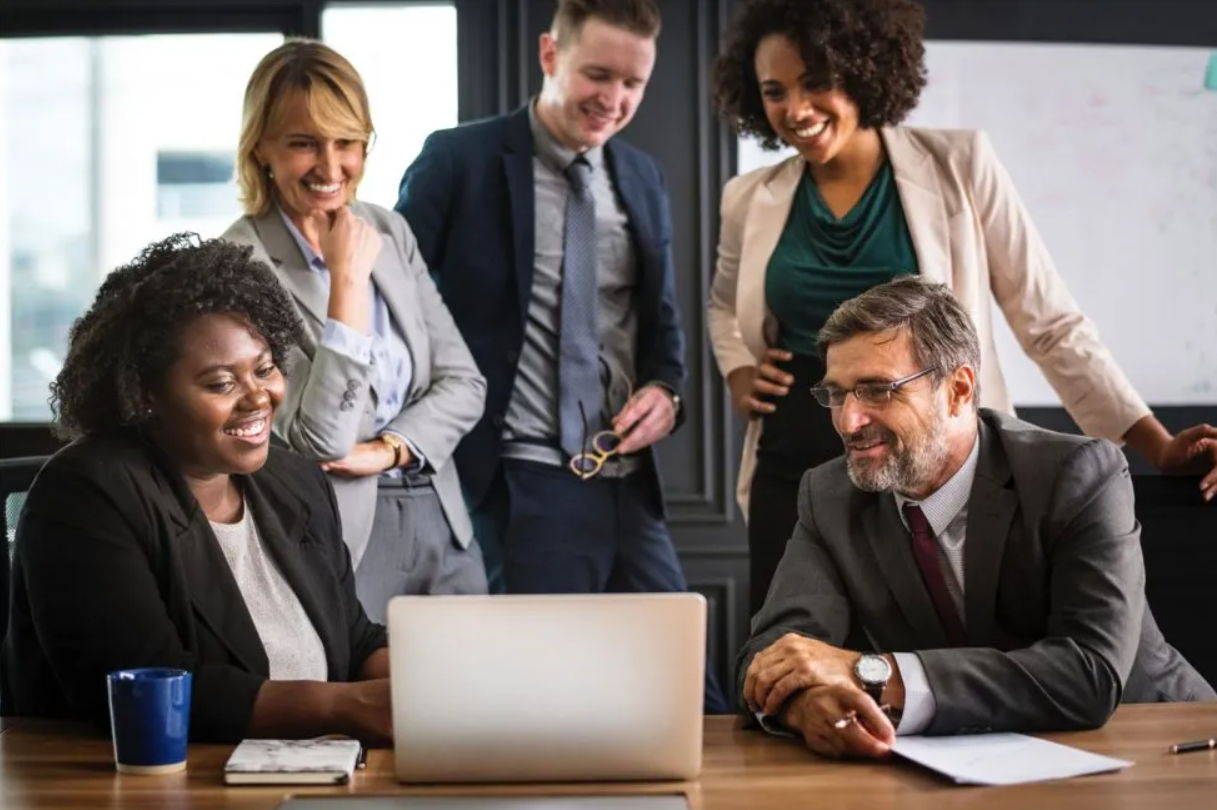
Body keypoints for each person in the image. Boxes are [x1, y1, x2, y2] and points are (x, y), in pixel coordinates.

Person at [707, 0, 1217, 617]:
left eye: (818, 82)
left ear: (865, 68)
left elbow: (1048, 321)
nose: (797, 109)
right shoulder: (747, 197)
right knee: (791, 651)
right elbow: (721, 307)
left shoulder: (959, 165)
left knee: (932, 654)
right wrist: (738, 368)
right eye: (775, 91)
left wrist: (1155, 444)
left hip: (927, 458)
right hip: (792, 457)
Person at [737, 275, 1215, 759]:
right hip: (964, 767)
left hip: (1158, 745)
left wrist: (873, 673)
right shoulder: (830, 494)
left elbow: (1088, 672)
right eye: (837, 394)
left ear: (958, 390)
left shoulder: (1077, 474)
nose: (848, 421)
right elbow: (772, 652)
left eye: (877, 390)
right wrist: (809, 703)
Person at [0, 235, 393, 744]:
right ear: (147, 395)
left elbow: (354, 640)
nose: (258, 397)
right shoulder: (86, 494)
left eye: (264, 368)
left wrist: (426, 679)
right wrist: (345, 706)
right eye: (220, 383)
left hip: (300, 772)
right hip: (136, 784)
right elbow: (147, 682)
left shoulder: (294, 481)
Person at [223, 40, 489, 623]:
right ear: (261, 148)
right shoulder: (238, 262)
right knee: (364, 709)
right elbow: (320, 438)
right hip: (340, 529)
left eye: (347, 142)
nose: (330, 165)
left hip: (439, 513)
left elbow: (465, 383)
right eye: (303, 144)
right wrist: (346, 281)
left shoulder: (388, 231)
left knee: (476, 704)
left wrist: (388, 449)